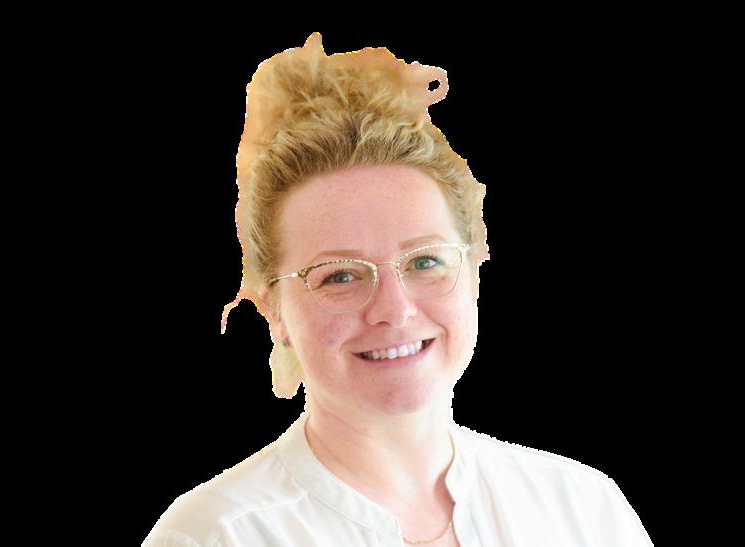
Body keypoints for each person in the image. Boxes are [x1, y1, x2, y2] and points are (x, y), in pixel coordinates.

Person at [142, 32, 653, 546]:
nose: (394, 309)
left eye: (425, 261)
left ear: (474, 270)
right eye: (340, 275)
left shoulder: (582, 508)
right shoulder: (216, 536)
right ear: (273, 308)